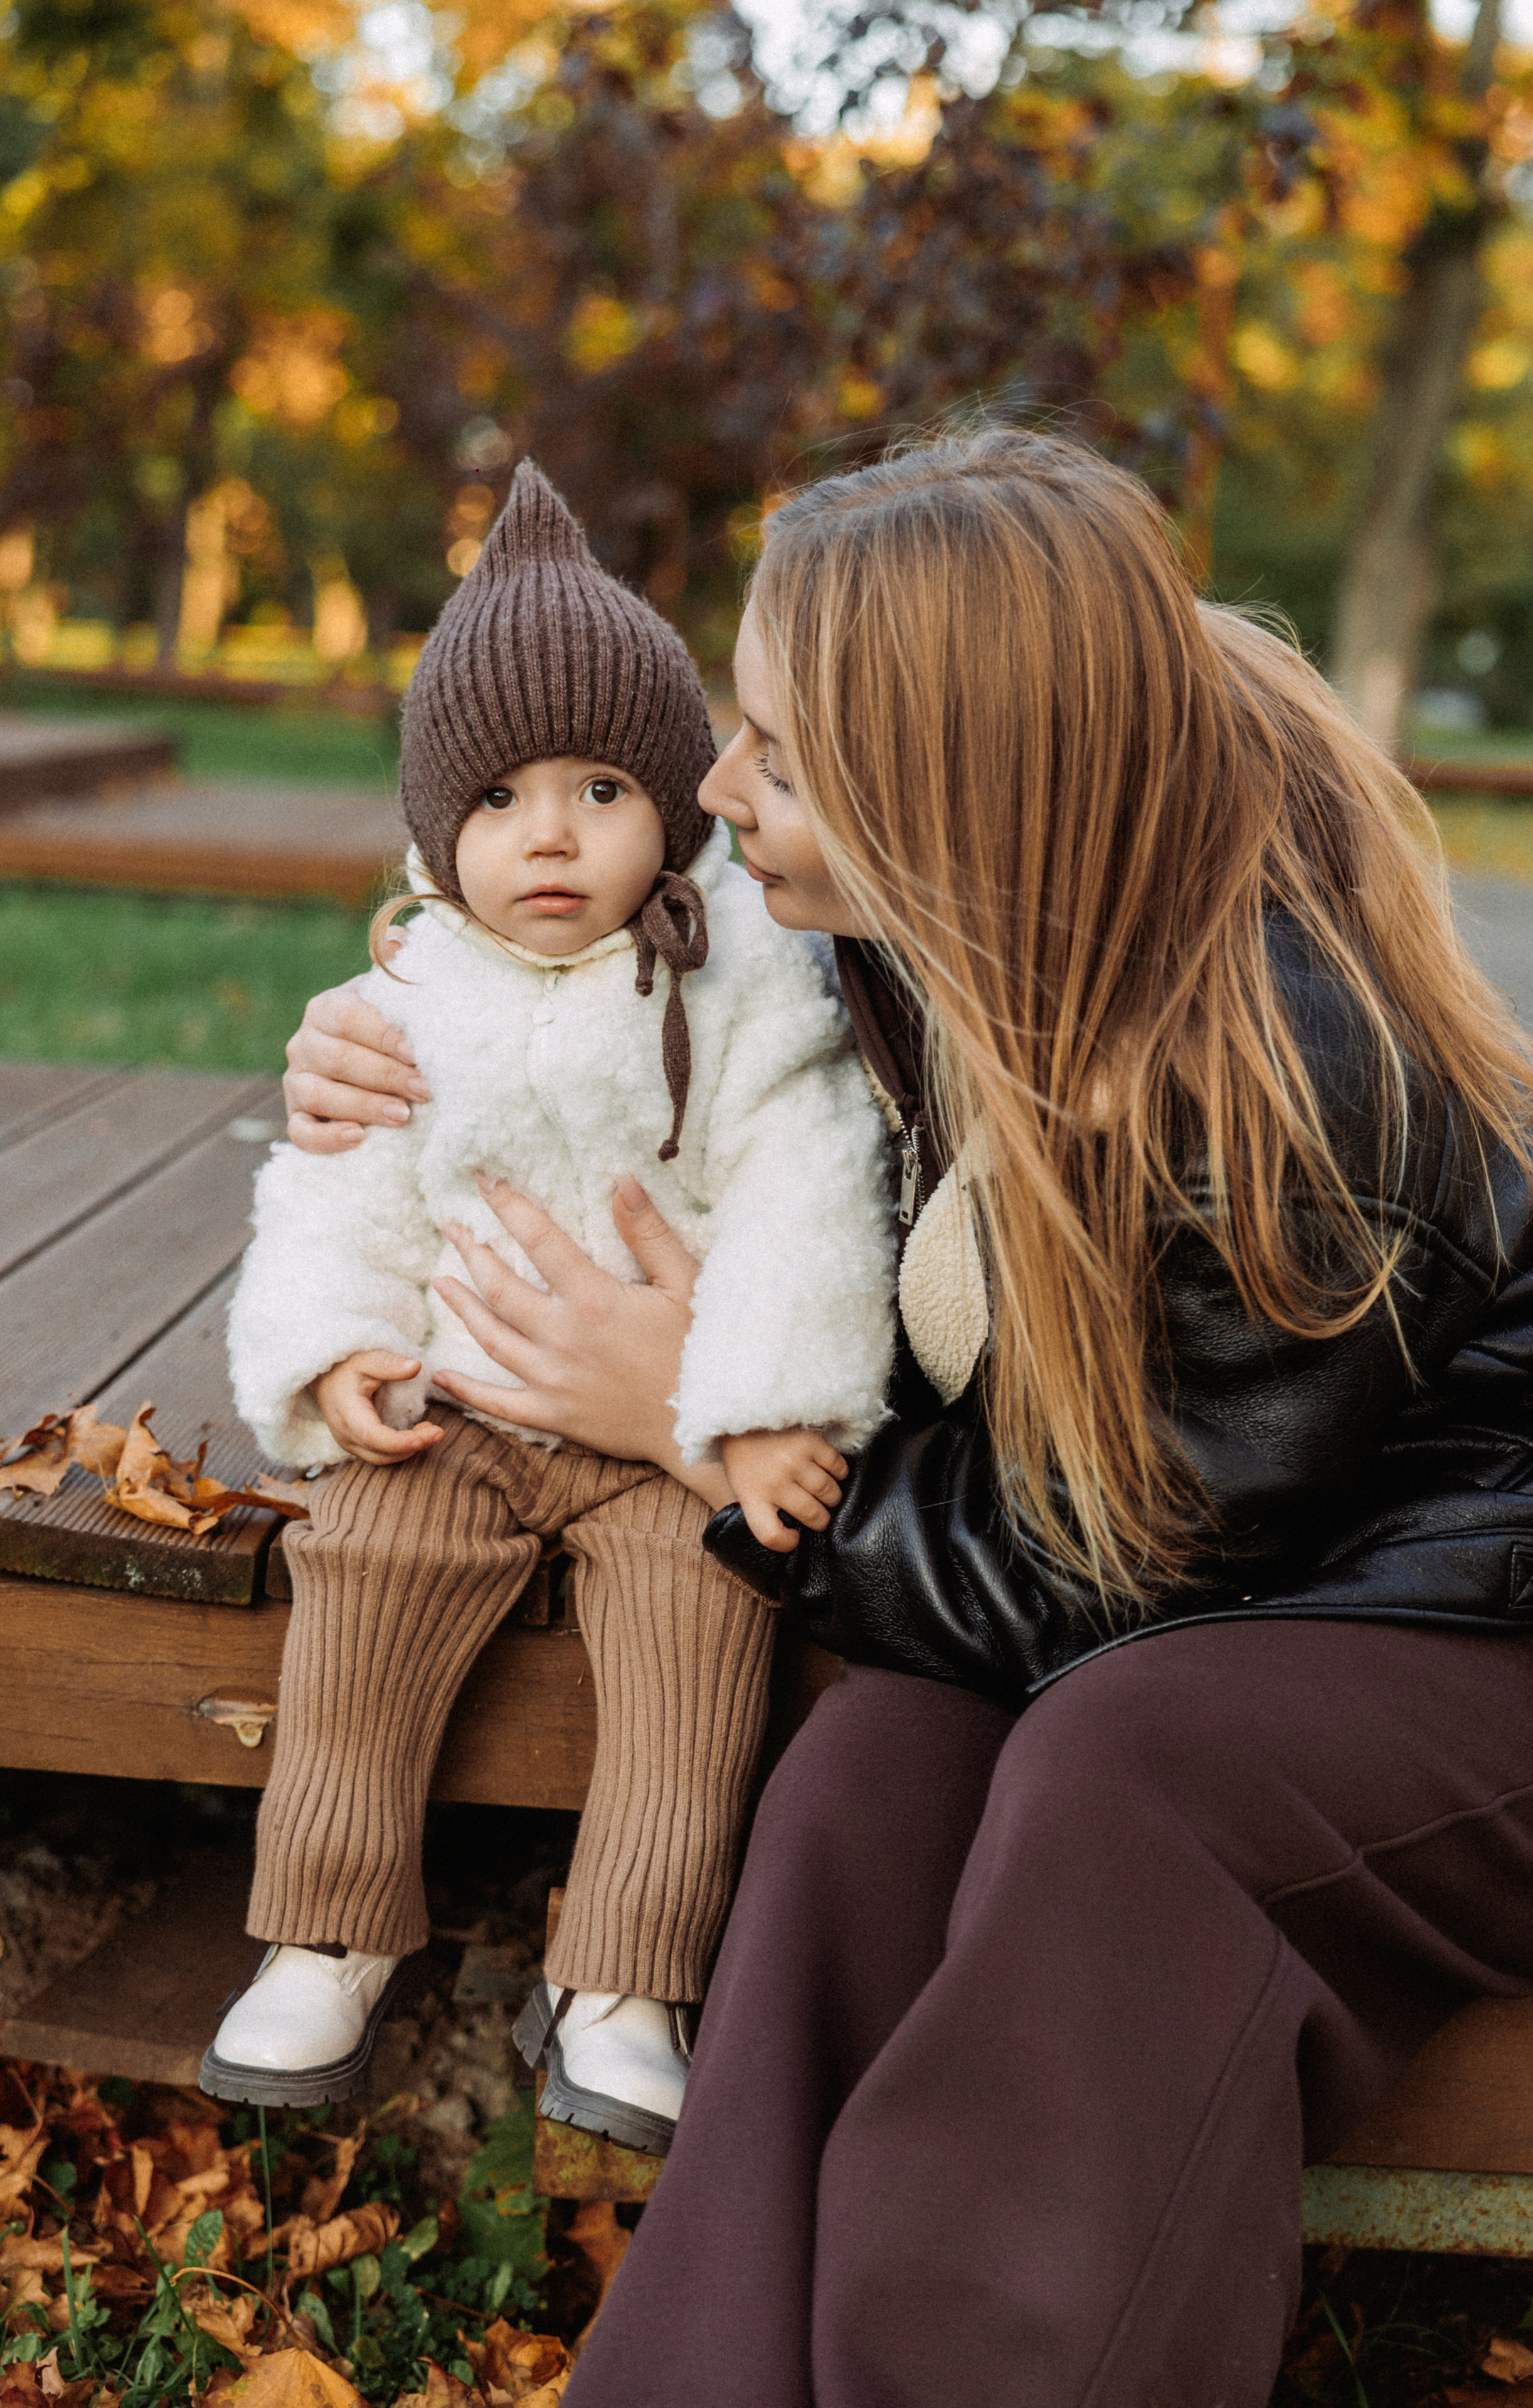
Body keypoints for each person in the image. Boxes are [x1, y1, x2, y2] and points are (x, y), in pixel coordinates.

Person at [277, 428, 1533, 2407]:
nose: (720, 790)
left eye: (781, 755)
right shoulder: (926, 922)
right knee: (871, 1769)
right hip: (1232, 1555)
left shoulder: (1292, 1092)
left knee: (1129, 1770)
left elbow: (1118, 1584)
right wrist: (381, 1042)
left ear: (957, 797)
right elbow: (580, 982)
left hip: (1523, 1617)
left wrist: (700, 1427)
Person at [206, 460, 895, 2147]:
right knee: (365, 1566)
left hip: (670, 1426)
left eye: (601, 786)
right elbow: (340, 1182)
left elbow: (809, 1190)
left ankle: (629, 1978)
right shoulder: (408, 989)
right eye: (503, 796)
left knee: (703, 1613)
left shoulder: (744, 986)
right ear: (438, 825)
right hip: (458, 1401)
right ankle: (328, 1927)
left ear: (673, 803)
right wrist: (337, 1351)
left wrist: (760, 1409)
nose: (553, 834)